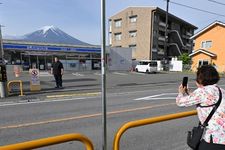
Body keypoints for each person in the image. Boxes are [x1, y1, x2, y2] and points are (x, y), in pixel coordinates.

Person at [176, 65, 225, 150]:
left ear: (200, 79)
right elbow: (207, 100)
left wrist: (181, 93)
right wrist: (189, 93)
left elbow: (180, 102)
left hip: (214, 139)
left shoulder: (201, 91)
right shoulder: (221, 90)